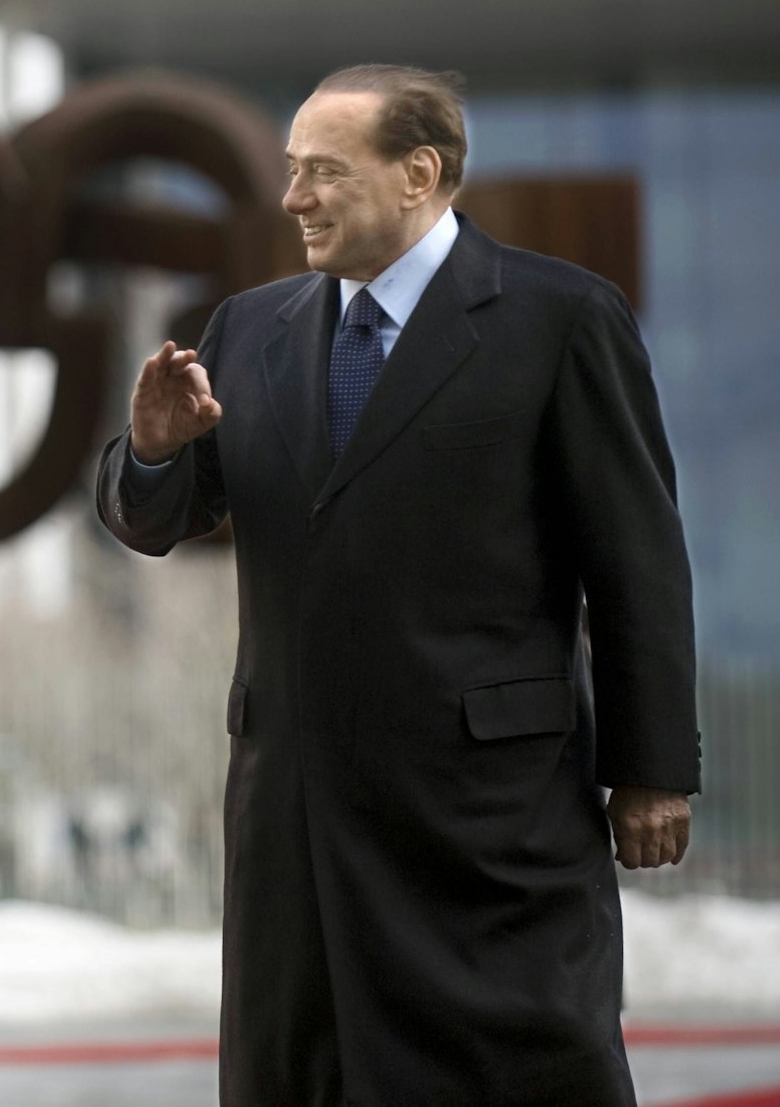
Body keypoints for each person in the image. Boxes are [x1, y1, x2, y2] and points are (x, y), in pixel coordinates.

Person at [96, 65, 699, 1106]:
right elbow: (157, 517)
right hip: (295, 816)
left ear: (419, 173)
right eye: (291, 172)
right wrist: (149, 449)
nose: (293, 198)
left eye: (323, 171)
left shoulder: (558, 319)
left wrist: (649, 768)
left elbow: (634, 559)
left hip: (484, 818)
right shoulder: (246, 329)